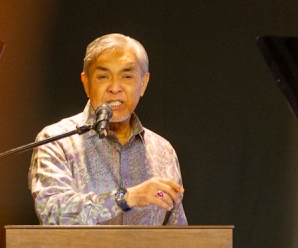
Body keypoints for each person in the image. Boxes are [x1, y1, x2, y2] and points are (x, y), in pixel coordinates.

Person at [29, 33, 186, 225]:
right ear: (86, 83)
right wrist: (126, 197)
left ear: (143, 83)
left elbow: (178, 233)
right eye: (103, 76)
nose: (114, 87)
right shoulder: (56, 140)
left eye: (127, 76)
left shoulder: (163, 151)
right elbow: (53, 213)